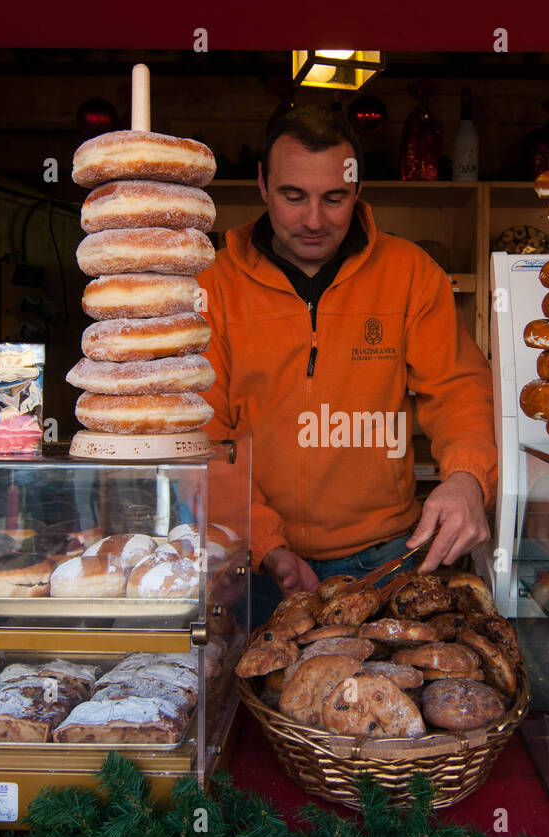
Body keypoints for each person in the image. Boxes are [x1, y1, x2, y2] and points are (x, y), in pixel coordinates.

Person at [197, 106, 497, 624]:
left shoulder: (410, 274)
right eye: (294, 196)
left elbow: (457, 388)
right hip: (251, 563)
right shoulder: (214, 284)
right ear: (263, 185)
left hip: (385, 560)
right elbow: (204, 431)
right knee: (250, 699)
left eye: (334, 198)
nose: (314, 220)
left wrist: (469, 478)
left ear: (358, 191)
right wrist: (266, 544)